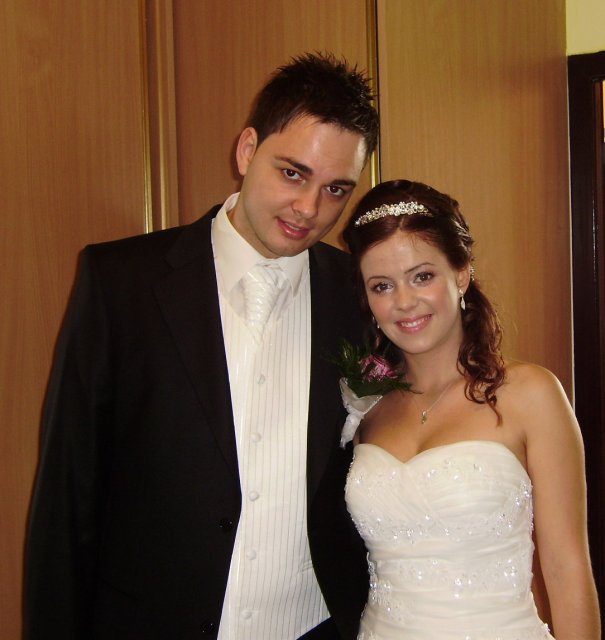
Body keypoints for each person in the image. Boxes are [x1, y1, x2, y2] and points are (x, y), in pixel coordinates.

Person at [24, 53, 379, 640]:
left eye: (335, 188)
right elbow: (68, 496)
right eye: (293, 173)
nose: (310, 209)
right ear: (247, 150)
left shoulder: (361, 296)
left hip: (316, 626)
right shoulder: (120, 283)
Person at [340, 179, 600, 639]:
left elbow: (566, 568)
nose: (404, 302)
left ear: (461, 274)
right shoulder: (370, 410)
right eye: (382, 286)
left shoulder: (531, 394)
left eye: (422, 276)